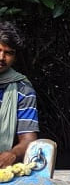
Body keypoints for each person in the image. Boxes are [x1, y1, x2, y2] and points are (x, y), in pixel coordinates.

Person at [0, 21, 38, 167]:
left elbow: (28, 139)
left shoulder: (22, 89)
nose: (2, 58)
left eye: (8, 53)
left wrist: (12, 154)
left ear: (14, 57)